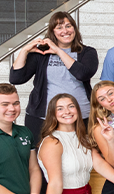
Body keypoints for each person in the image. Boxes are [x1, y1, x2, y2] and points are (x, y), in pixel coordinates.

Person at [10, 11, 99, 139]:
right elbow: (16, 78)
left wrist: (58, 50)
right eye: (59, 27)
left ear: (74, 28)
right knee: (40, 155)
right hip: (43, 117)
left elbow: (82, 74)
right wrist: (24, 50)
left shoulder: (87, 52)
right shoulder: (42, 53)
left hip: (81, 116)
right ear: (53, 32)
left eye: (68, 26)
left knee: (81, 155)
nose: (65, 31)